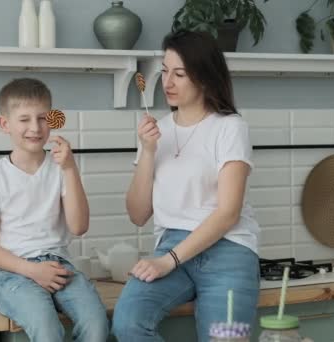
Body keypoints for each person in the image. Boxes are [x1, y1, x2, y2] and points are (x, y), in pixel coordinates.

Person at [112, 30, 261, 342]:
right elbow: (138, 214)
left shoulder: (230, 128)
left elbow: (228, 213)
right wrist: (148, 152)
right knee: (127, 324)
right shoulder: (156, 132)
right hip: (170, 244)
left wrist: (169, 261)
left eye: (179, 74)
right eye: (165, 71)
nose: (167, 83)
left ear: (204, 77)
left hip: (228, 250)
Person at [0, 78, 109, 342]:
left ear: (53, 120)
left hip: (58, 266)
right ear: (5, 124)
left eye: (43, 118)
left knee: (96, 324)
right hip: (10, 274)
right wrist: (32, 270)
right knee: (47, 328)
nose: (35, 127)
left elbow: (79, 227)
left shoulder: (61, 169)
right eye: (24, 119)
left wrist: (70, 168)